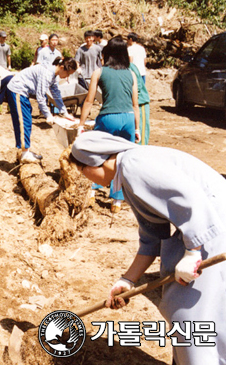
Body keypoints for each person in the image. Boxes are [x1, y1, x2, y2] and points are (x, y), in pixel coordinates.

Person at [69, 130, 226, 365]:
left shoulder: (134, 165)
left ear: (94, 161)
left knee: (190, 314)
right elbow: (152, 237)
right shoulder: (129, 173)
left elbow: (189, 198)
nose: (87, 177)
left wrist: (193, 252)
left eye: (82, 170)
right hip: (203, 230)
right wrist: (127, 281)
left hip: (212, 228)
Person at [77, 36, 140, 213]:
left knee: (98, 155)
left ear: (107, 54)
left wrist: (81, 124)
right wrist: (137, 128)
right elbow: (135, 104)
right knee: (122, 159)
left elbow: (89, 101)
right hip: (128, 118)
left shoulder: (99, 72)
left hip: (108, 117)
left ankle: (92, 191)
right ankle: (117, 201)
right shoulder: (132, 74)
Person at [6, 57, 78, 164]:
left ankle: (25, 151)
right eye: (68, 74)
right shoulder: (47, 74)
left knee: (27, 119)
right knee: (23, 121)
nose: (68, 77)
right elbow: (40, 97)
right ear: (62, 67)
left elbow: (56, 93)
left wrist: (64, 112)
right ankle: (25, 153)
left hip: (22, 92)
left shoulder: (53, 74)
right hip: (17, 89)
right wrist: (48, 115)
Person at [130, 63, 150, 145]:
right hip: (130, 105)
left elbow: (137, 87)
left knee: (141, 134)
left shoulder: (130, 67)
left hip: (140, 103)